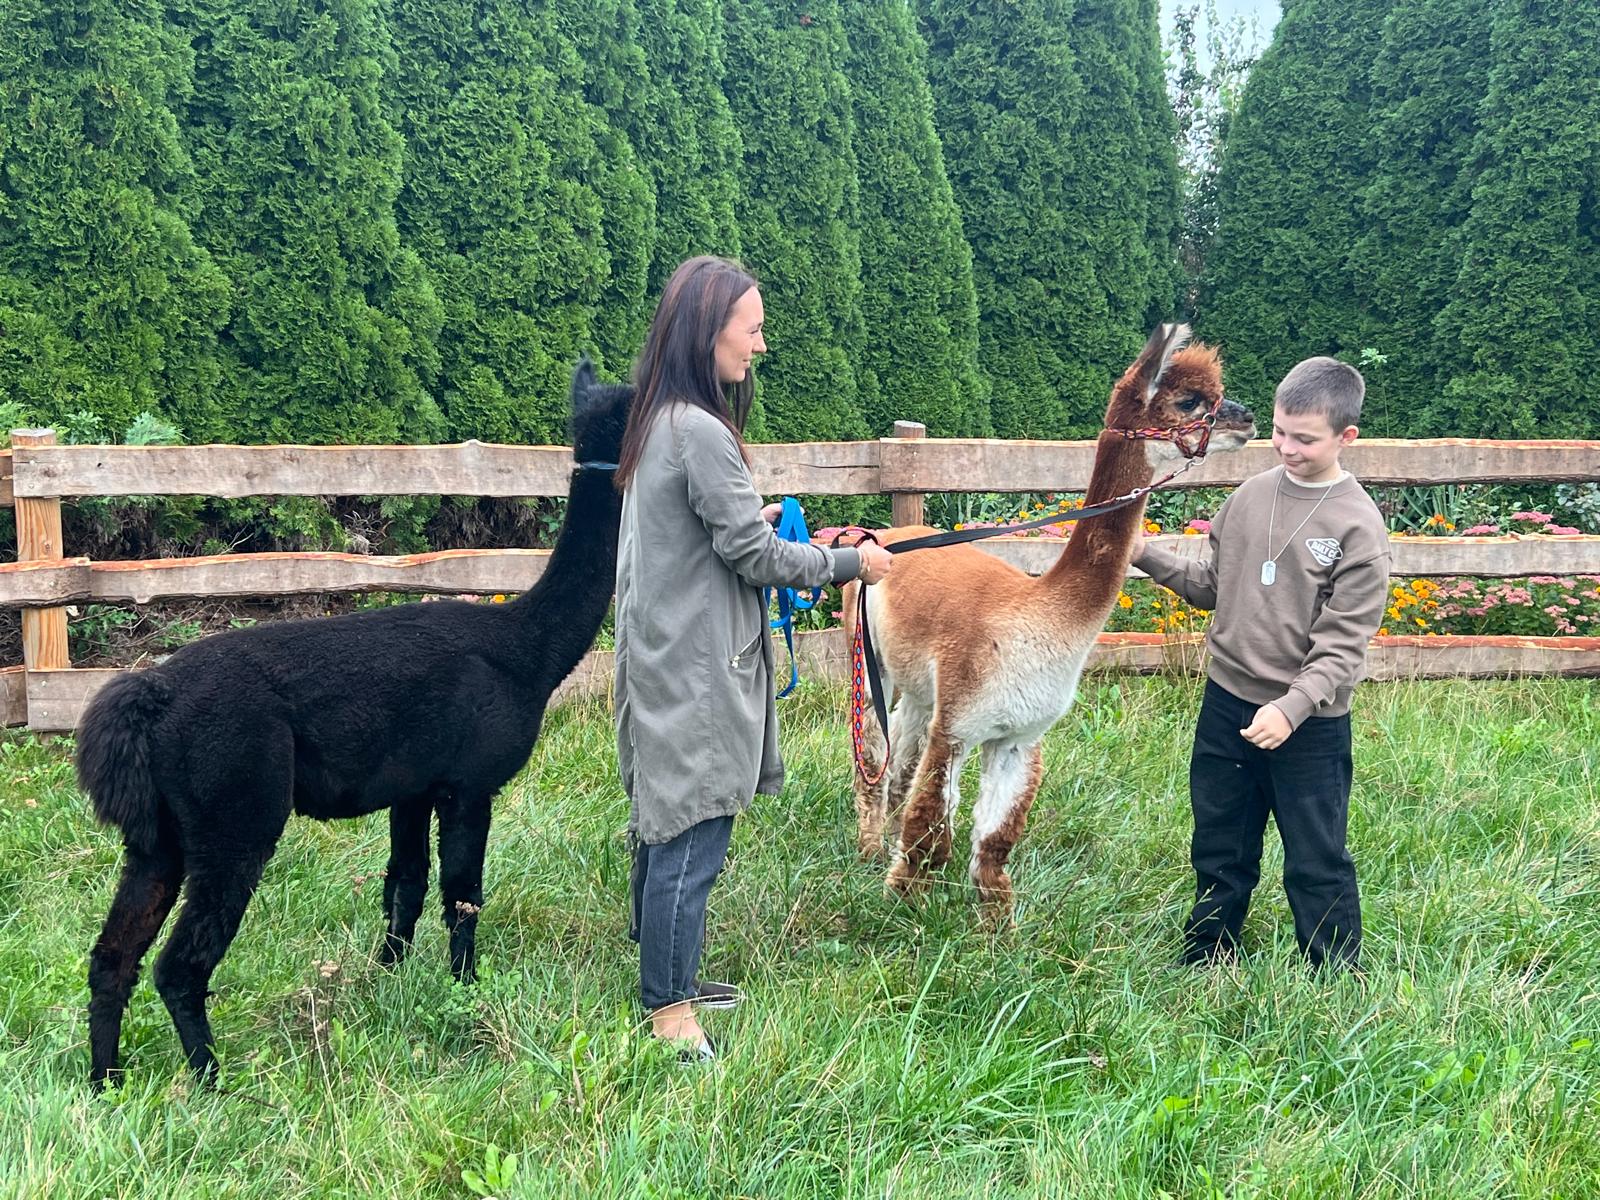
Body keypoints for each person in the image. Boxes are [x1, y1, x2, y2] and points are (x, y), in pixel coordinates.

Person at [612, 256, 893, 1057]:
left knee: (666, 820)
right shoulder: (700, 431)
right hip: (694, 669)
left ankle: (669, 973)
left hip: (664, 652)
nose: (761, 345)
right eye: (753, 329)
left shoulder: (661, 420)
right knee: (692, 830)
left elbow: (714, 533)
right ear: (710, 332)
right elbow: (756, 557)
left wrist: (748, 516)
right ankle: (670, 1012)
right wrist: (852, 561)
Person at [1132, 357, 1389, 970]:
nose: (1286, 448)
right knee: (1219, 840)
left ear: (1346, 437)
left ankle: (1334, 973)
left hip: (1308, 724)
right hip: (1227, 703)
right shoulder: (1249, 497)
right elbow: (1211, 586)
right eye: (1279, 432)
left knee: (1316, 854)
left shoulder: (1358, 526)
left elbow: (1343, 644)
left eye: (1305, 439)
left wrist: (1291, 709)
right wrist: (1142, 553)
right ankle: (1208, 954)